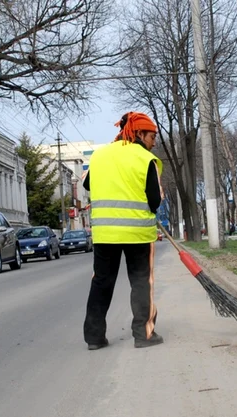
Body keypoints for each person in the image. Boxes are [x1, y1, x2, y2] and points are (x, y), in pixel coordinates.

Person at [82, 112, 164, 350]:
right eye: (152, 136)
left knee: (101, 283)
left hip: (105, 234)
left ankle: (94, 338)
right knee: (140, 282)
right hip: (137, 233)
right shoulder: (145, 158)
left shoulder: (100, 155)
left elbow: (87, 184)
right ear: (139, 133)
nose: (154, 142)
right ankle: (143, 335)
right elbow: (155, 200)